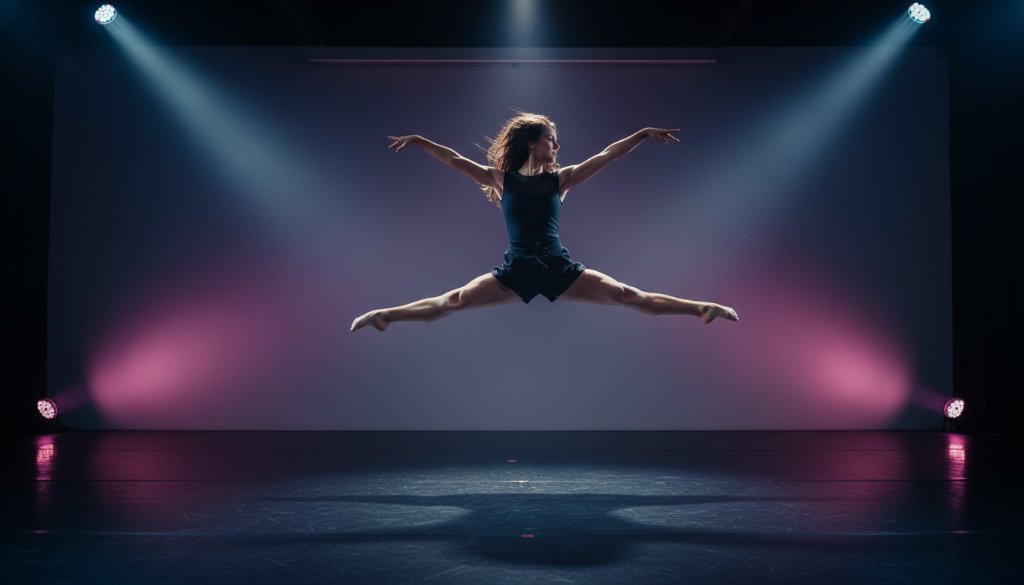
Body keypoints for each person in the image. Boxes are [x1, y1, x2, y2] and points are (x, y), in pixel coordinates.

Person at [351, 112, 738, 332]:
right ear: (534, 142)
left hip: (556, 266)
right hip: (517, 268)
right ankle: (384, 315)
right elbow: (455, 160)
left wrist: (640, 134)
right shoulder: (501, 180)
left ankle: (702, 307)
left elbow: (606, 155)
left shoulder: (561, 179)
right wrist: (420, 140)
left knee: (627, 295)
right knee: (453, 301)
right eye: (551, 139)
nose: (556, 146)